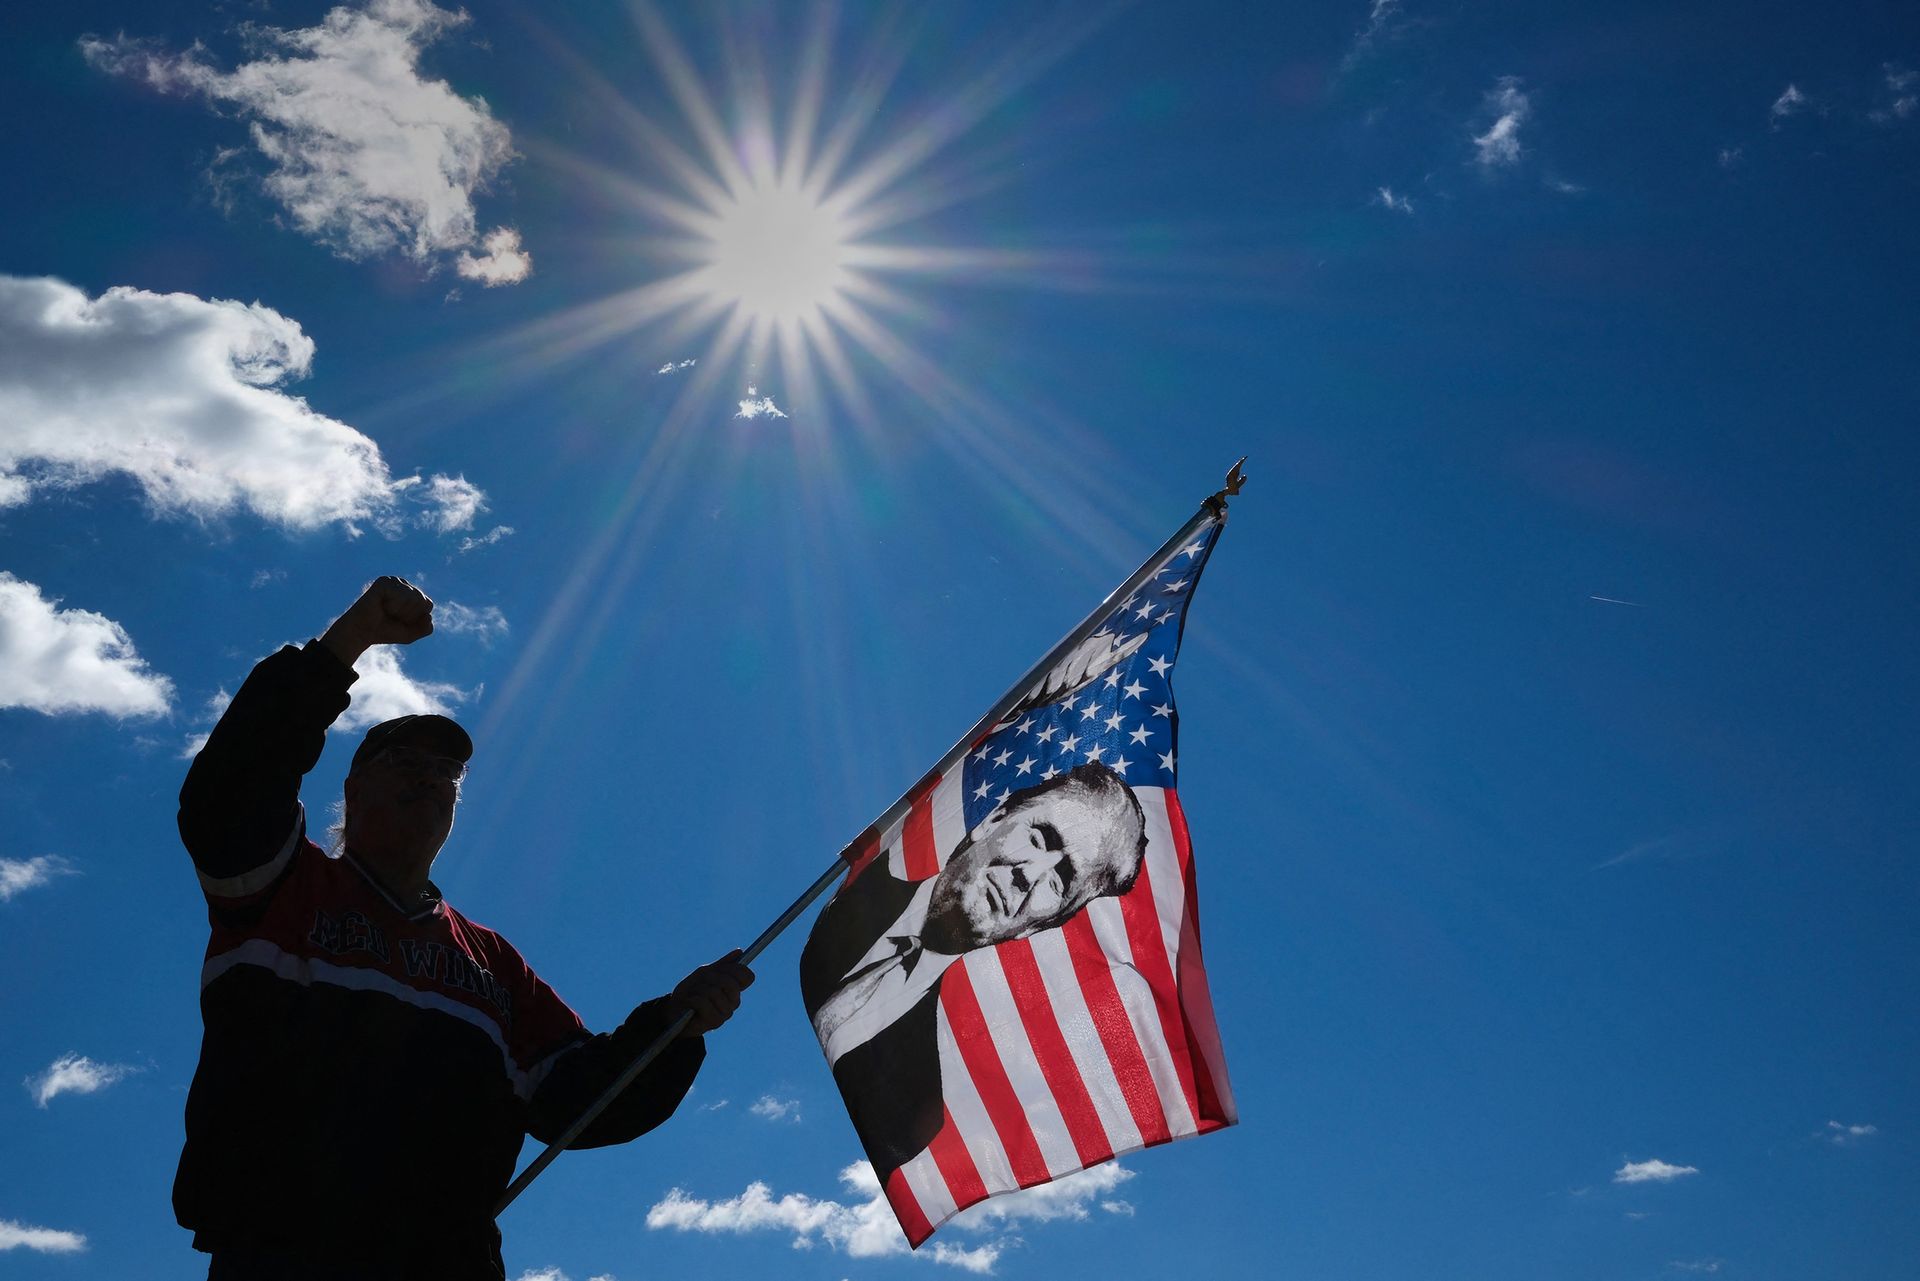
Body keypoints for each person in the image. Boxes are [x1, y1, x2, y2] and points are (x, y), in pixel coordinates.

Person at [174, 575, 753, 1281]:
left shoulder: (493, 964)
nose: (431, 778)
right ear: (352, 793)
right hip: (281, 1254)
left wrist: (676, 1024)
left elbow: (581, 1098)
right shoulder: (281, 884)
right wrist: (347, 641)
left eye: (447, 771)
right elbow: (236, 783)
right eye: (406, 763)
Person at [799, 762, 1145, 1179]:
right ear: (993, 820)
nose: (1028, 876)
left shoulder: (916, 1109)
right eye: (1038, 838)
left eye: (1059, 882)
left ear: (1041, 925)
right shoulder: (852, 890)